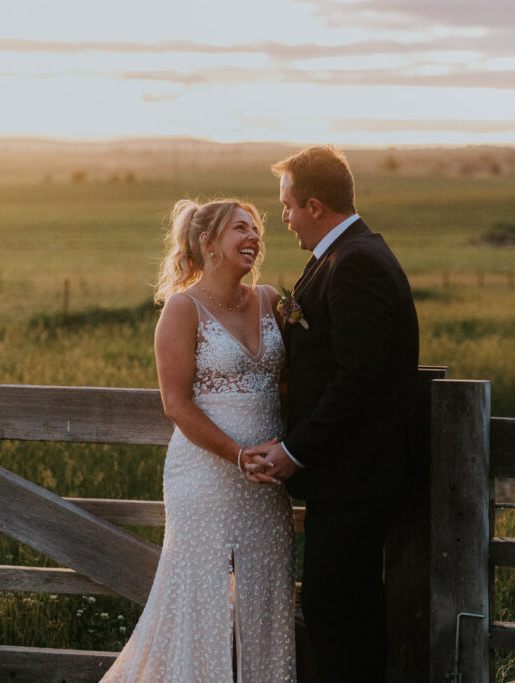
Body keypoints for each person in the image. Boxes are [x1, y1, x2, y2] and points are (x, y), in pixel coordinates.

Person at [244, 145, 420, 683]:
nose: (284, 218)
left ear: (315, 205)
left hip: (357, 477)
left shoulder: (356, 262)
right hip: (349, 477)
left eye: (288, 206)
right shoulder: (342, 255)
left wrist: (296, 451)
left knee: (339, 612)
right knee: (340, 607)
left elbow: (359, 376)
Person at [102, 198, 296, 682]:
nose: (253, 237)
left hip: (268, 480)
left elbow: (294, 382)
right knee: (200, 597)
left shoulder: (272, 300)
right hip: (205, 477)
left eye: (257, 229)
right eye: (240, 229)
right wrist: (236, 454)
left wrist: (285, 448)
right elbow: (177, 404)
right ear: (208, 243)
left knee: (267, 592)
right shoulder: (181, 309)